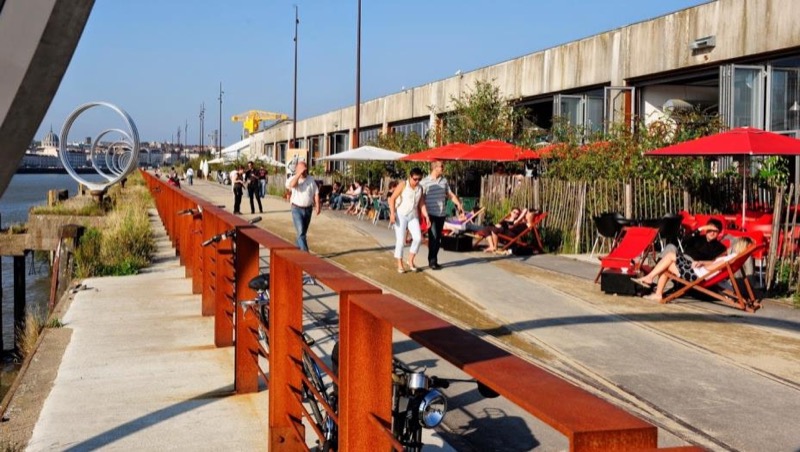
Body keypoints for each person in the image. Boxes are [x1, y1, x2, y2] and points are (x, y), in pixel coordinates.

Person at [632, 218, 727, 300]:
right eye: (709, 230)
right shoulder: (698, 237)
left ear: (719, 233)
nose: (712, 233)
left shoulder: (720, 247)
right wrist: (700, 229)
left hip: (693, 267)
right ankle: (658, 293)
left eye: (715, 231)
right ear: (706, 230)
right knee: (670, 247)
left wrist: (701, 262)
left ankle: (651, 277)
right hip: (683, 260)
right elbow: (684, 240)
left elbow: (716, 263)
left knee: (669, 256)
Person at [421, 160, 463, 270]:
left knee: (438, 237)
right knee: (433, 237)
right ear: (435, 168)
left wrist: (458, 203)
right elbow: (421, 198)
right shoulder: (425, 182)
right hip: (430, 213)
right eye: (441, 166)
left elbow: (449, 194)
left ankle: (433, 258)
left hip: (441, 213)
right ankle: (432, 261)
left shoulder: (444, 181)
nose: (443, 168)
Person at [389, 168, 429, 273]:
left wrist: (426, 216)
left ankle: (410, 260)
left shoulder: (420, 188)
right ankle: (399, 263)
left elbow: (421, 203)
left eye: (419, 179)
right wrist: (392, 213)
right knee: (400, 240)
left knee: (418, 238)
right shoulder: (403, 185)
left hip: (413, 215)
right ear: (410, 177)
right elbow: (392, 198)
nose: (417, 181)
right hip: (401, 214)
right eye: (415, 179)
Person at [285, 160, 320, 251]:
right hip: (296, 209)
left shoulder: (311, 179)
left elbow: (316, 193)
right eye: (302, 170)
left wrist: (318, 206)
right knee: (300, 232)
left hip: (308, 209)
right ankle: (305, 253)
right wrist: (298, 174)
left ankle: (297, 250)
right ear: (297, 170)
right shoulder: (292, 179)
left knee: (303, 232)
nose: (304, 172)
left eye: (305, 170)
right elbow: (292, 185)